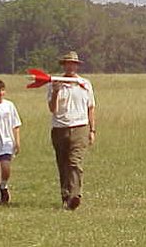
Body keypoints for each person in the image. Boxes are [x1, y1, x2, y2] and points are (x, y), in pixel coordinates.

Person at [47, 51, 96, 210]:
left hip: (80, 127)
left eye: (73, 64)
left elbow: (91, 108)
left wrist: (92, 129)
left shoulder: (85, 84)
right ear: (64, 65)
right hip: (59, 128)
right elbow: (52, 109)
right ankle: (66, 195)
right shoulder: (55, 82)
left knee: (75, 162)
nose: (71, 66)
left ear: (77, 66)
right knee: (63, 164)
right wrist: (55, 91)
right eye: (68, 63)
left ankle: (76, 195)